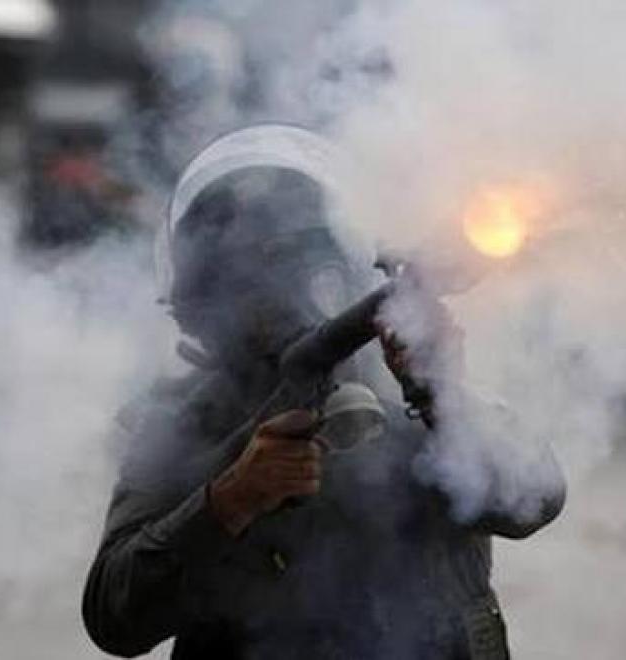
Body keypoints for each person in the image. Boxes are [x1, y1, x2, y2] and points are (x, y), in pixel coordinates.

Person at [82, 125, 566, 659]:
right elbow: (114, 618)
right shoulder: (188, 424)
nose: (284, 297)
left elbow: (533, 501)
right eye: (253, 280)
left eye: (302, 264)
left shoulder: (410, 386)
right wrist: (232, 499)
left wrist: (443, 397)